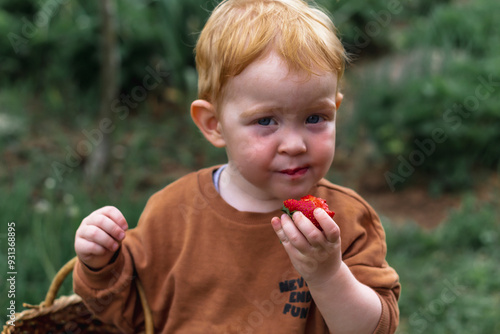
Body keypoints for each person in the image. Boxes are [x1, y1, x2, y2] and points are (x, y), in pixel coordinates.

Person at [73, 0, 400, 333]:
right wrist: (99, 264)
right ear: (214, 124)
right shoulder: (172, 214)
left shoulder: (344, 222)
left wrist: (328, 276)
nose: (295, 144)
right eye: (266, 121)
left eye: (315, 117)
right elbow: (124, 313)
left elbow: (375, 328)